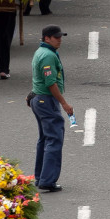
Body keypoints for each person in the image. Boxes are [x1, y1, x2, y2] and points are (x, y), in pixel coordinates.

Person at [30, 25, 71, 193]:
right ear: (47, 38)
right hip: (46, 101)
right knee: (54, 139)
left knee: (45, 139)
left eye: (60, 36)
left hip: (38, 99)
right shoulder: (47, 56)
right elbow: (50, 83)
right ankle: (47, 180)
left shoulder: (42, 52)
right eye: (56, 37)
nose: (59, 39)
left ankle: (40, 176)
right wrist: (64, 103)